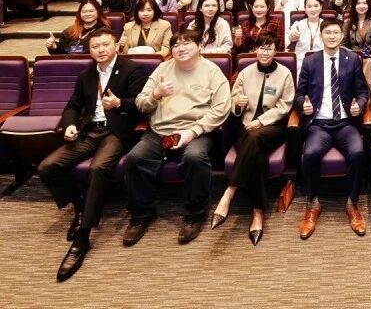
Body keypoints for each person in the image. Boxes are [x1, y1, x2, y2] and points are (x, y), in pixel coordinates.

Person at [38, 28, 147, 282]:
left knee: (98, 169)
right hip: (89, 131)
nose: (100, 50)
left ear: (115, 45)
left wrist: (119, 104)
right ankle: (79, 205)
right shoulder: (86, 75)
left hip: (116, 132)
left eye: (105, 45)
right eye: (95, 46)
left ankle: (83, 236)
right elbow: (73, 105)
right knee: (47, 167)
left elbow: (142, 105)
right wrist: (69, 124)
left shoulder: (132, 69)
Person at [125, 29, 232, 246]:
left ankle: (195, 213)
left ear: (199, 46)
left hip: (195, 130)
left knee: (194, 158)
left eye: (187, 43)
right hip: (159, 131)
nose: (180, 48)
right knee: (135, 159)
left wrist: (193, 131)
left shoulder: (211, 71)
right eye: (176, 45)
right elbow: (141, 102)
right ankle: (141, 214)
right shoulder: (163, 68)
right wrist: (156, 94)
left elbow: (221, 108)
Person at [210, 34, 294, 245]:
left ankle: (229, 191)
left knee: (255, 138)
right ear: (255, 50)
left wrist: (262, 121)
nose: (265, 52)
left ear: (276, 51)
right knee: (257, 156)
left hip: (273, 127)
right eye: (261, 48)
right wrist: (238, 104)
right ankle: (258, 213)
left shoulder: (284, 74)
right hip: (246, 127)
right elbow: (233, 101)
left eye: (269, 48)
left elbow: (285, 106)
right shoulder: (245, 72)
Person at [294, 19, 369, 239]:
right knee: (310, 153)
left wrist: (359, 106)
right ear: (321, 36)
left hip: (345, 123)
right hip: (320, 124)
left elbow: (363, 92)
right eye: (328, 32)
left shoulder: (352, 59)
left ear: (342, 36)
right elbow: (299, 94)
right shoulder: (310, 61)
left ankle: (352, 202)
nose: (332, 36)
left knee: (357, 152)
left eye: (336, 32)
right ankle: (312, 203)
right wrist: (303, 105)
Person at [288, 0, 325, 77]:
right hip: (301, 63)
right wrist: (292, 37)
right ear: (305, 8)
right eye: (309, 6)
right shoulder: (298, 25)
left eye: (316, 6)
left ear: (321, 7)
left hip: (322, 62)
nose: (313, 9)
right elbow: (289, 38)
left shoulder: (327, 25)